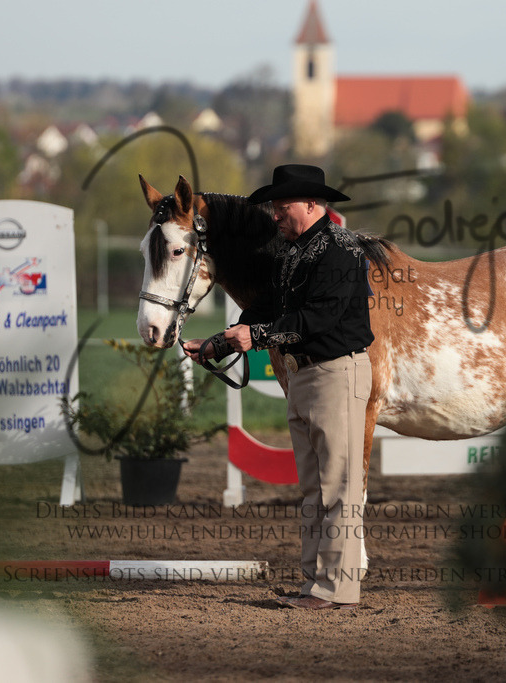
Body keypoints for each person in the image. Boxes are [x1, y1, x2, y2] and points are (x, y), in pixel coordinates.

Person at [184, 164, 373, 610]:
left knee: (338, 487)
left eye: (282, 207)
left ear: (311, 204)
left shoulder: (343, 250)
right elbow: (266, 307)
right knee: (315, 488)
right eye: (272, 208)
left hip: (336, 373)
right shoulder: (292, 253)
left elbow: (321, 317)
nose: (275, 216)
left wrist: (259, 337)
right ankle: (315, 585)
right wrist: (217, 343)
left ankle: (336, 589)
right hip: (307, 375)